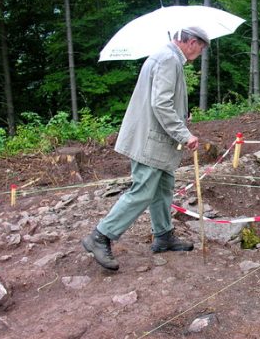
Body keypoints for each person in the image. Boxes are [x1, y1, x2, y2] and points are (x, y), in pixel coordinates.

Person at [82, 26, 209, 271]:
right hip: (152, 141)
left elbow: (164, 100)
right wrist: (184, 133)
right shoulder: (168, 59)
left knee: (163, 188)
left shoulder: (166, 57)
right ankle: (100, 236)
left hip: (158, 140)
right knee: (142, 190)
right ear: (192, 42)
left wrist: (182, 114)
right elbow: (160, 104)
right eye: (201, 48)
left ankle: (163, 236)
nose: (199, 54)